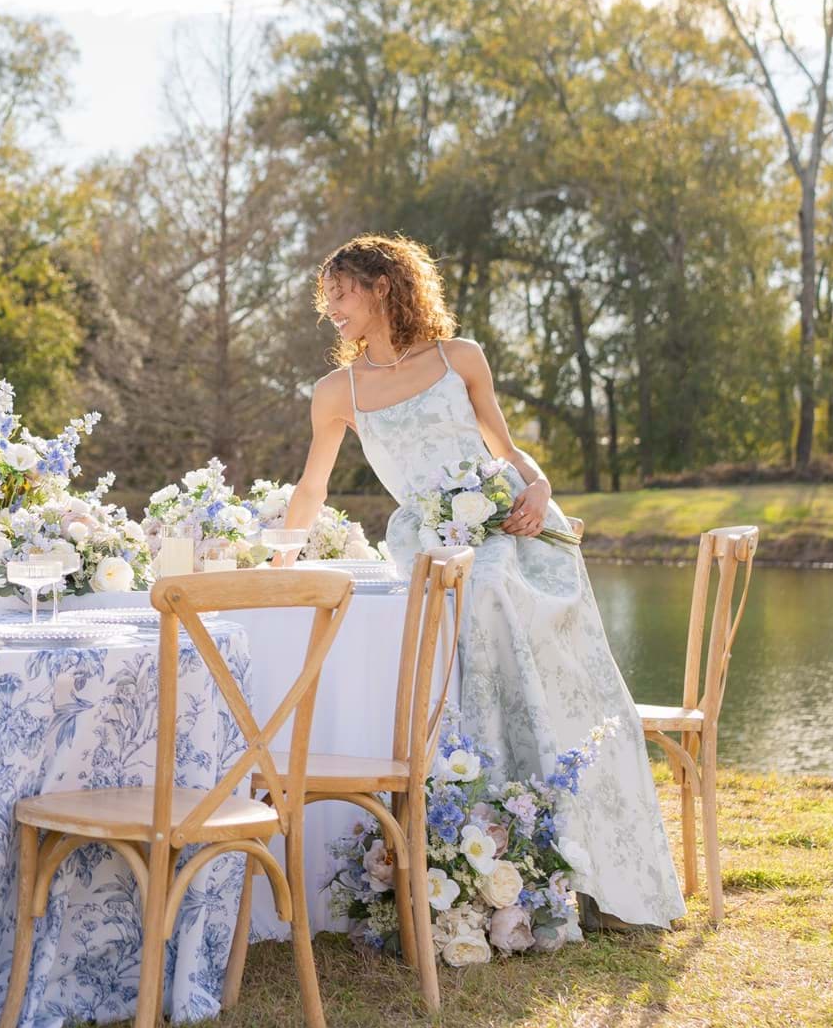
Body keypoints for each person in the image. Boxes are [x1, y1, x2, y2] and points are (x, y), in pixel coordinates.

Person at [281, 233, 683, 929]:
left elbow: (506, 447)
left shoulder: (459, 358)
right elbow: (311, 488)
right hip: (428, 539)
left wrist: (541, 484)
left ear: (382, 285)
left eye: (341, 293)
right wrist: (278, 559)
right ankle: (498, 850)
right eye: (327, 299)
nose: (331, 310)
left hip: (508, 524)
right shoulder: (334, 393)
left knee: (495, 584)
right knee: (471, 586)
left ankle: (587, 866)